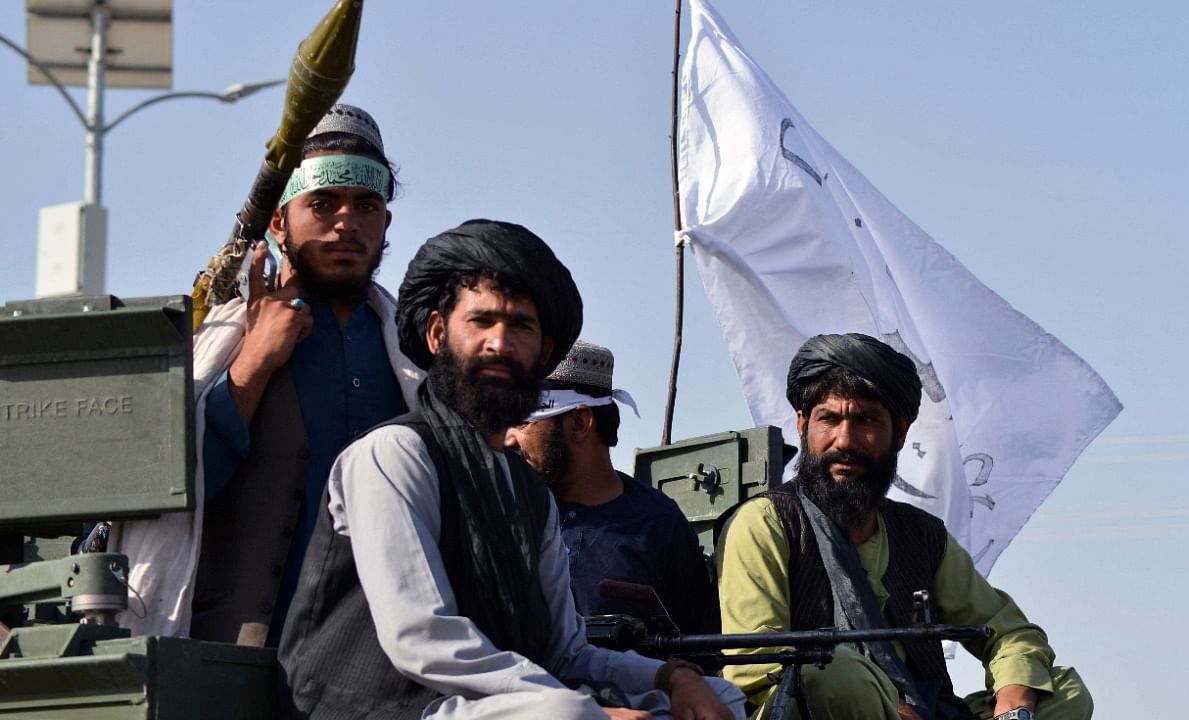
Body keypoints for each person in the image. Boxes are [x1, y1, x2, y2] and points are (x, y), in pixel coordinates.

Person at [278, 220, 745, 719]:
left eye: (520, 326)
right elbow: (421, 638)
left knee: (721, 701)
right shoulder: (394, 454)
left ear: (544, 352)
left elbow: (566, 651)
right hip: (371, 708)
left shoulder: (528, 493)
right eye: (481, 321)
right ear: (437, 334)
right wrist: (591, 708)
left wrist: (672, 677)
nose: (500, 342)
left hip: (493, 705)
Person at [115, 104, 424, 646]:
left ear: (385, 223)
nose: (346, 222)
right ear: (279, 222)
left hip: (379, 655)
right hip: (240, 655)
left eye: (365, 206)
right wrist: (254, 361)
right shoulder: (227, 338)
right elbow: (174, 487)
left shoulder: (412, 354)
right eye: (323, 204)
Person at [716, 333, 1092, 720]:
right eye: (828, 419)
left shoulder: (921, 536)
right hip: (818, 709)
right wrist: (888, 709)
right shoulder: (765, 524)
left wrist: (1015, 700)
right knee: (826, 672)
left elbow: (1008, 631)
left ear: (900, 430)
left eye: (866, 420)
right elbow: (757, 666)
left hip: (927, 710)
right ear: (802, 425)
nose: (844, 440)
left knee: (1063, 691)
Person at [506, 340, 715, 635]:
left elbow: (692, 652)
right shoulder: (501, 513)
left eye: (523, 422)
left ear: (579, 422)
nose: (508, 439)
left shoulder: (659, 525)